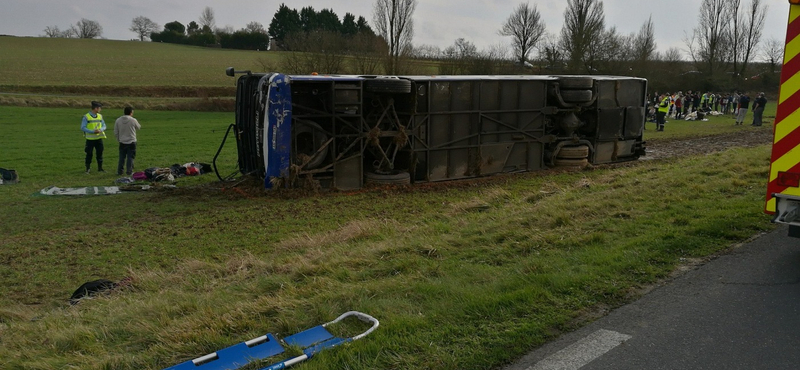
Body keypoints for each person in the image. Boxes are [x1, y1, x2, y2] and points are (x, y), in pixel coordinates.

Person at [114, 106, 141, 176]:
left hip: (122, 141)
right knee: (130, 157)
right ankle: (129, 171)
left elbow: (116, 131)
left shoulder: (118, 120)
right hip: (131, 141)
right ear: (131, 113)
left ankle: (120, 171)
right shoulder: (133, 120)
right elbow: (138, 127)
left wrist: (118, 139)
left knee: (121, 157)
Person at [81, 101, 106, 173]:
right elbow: (83, 127)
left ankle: (100, 168)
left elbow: (104, 125)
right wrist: (93, 131)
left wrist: (101, 130)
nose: (100, 109)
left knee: (100, 153)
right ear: (96, 108)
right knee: (89, 154)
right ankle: (88, 168)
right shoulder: (86, 117)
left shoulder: (100, 116)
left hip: (99, 138)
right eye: (99, 108)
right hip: (90, 139)